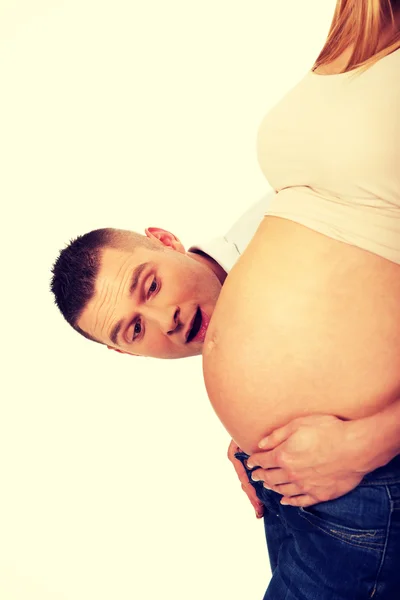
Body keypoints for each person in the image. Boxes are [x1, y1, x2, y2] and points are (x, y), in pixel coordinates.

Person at [200, 0, 400, 598]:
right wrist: (259, 413)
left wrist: (372, 439)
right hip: (290, 473)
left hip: (360, 461)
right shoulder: (361, 27)